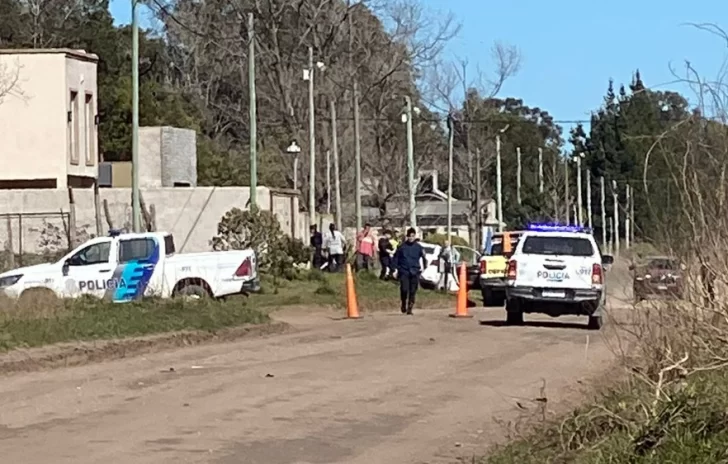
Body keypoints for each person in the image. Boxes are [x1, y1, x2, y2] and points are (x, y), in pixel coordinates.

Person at [393, 227, 426, 315]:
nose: (411, 238)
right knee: (404, 289)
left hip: (415, 271)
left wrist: (423, 268)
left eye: (413, 236)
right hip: (404, 271)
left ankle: (410, 308)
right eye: (409, 236)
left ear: (414, 236)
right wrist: (395, 269)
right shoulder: (401, 247)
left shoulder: (419, 247)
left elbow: (424, 258)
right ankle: (403, 303)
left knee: (413, 290)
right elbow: (396, 258)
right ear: (407, 236)